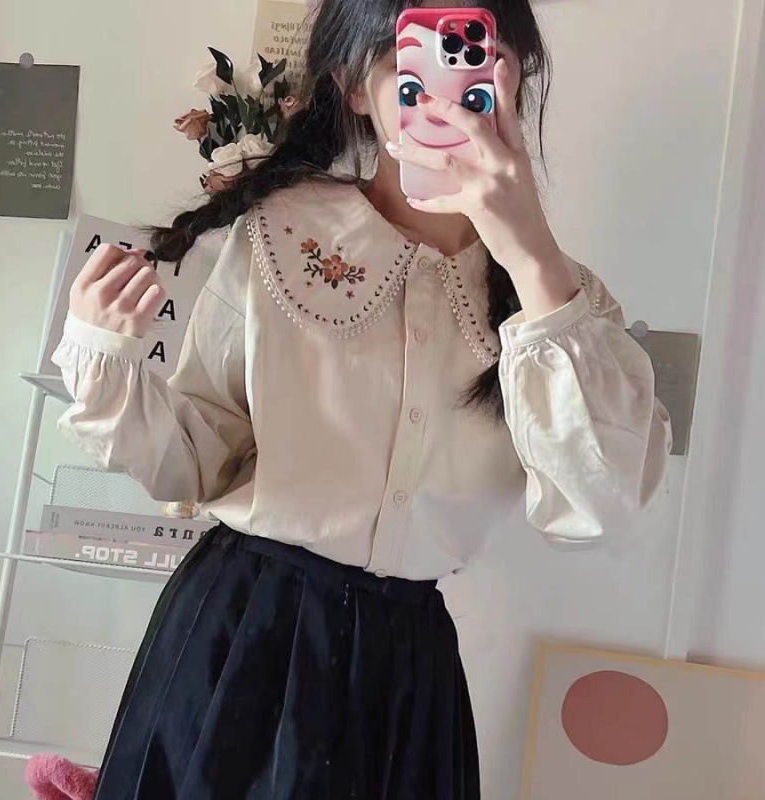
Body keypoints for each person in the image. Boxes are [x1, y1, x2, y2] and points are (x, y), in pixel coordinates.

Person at [51, 0, 673, 797]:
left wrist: (528, 251)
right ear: (353, 84)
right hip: (244, 643)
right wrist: (104, 364)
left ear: (516, 76)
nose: (447, 98)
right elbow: (198, 462)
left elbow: (606, 500)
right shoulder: (282, 231)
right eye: (415, 68)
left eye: (477, 61)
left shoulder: (564, 304)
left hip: (407, 680)